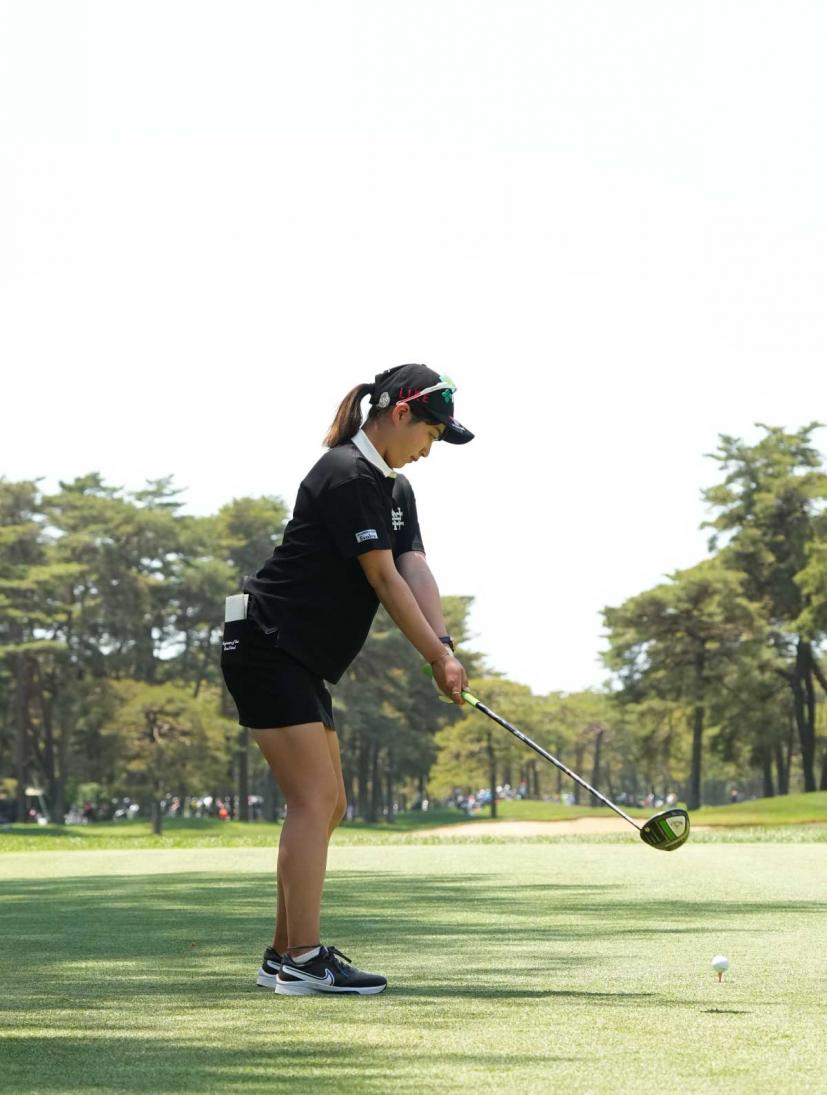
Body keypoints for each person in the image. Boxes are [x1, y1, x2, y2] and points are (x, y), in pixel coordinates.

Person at [220, 364, 474, 996]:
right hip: (266, 641)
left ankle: (284, 955)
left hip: (294, 654)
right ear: (399, 413)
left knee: (329, 802)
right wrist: (433, 659)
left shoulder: (393, 488)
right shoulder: (346, 473)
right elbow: (382, 579)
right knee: (314, 800)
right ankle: (305, 959)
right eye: (430, 434)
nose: (429, 449)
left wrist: (444, 646)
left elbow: (414, 568)